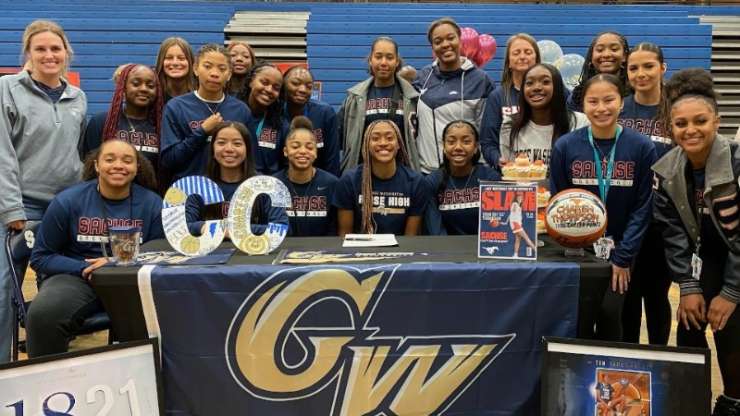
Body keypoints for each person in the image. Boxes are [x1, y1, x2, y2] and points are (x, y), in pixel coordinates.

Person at [652, 69, 740, 415]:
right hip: (700, 262)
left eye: (700, 121)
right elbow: (672, 233)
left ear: (716, 121)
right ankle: (688, 403)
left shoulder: (735, 163)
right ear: (670, 128)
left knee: (730, 329)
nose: (690, 130)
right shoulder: (665, 170)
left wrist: (731, 293)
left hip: (734, 263)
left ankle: (732, 401)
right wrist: (687, 285)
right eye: (681, 124)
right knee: (689, 325)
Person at [27, 140, 163, 358]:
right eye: (110, 159)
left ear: (137, 167)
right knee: (43, 314)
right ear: (97, 165)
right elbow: (41, 257)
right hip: (79, 278)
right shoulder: (68, 201)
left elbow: (160, 253)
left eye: (127, 160)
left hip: (130, 280)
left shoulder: (153, 204)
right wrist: (84, 268)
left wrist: (113, 265)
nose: (118, 165)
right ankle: (47, 385)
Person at [0, 19, 86, 363]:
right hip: (21, 210)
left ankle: (51, 366)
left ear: (66, 53)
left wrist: (78, 204)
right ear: (28, 54)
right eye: (41, 49)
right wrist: (11, 209)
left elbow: (76, 154)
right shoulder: (7, 88)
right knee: (5, 291)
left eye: (55, 48)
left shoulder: (77, 96)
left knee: (57, 294)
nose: (49, 55)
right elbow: (2, 153)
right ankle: (5, 367)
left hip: (62, 210)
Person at [550, 74, 656, 340]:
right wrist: (573, 247)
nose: (601, 108)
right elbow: (558, 202)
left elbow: (643, 207)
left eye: (609, 100)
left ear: (622, 102)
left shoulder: (642, 147)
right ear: (583, 105)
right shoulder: (565, 146)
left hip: (622, 252)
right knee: (580, 323)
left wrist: (623, 257)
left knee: (612, 318)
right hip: (579, 255)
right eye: (593, 101)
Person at [619, 42, 672, 345]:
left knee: (657, 296)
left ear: (663, 68)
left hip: (662, 219)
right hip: (627, 219)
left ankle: (659, 358)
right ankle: (628, 361)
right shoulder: (620, 108)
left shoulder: (675, 110)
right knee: (627, 296)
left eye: (648, 66)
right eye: (634, 67)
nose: (641, 73)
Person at [160, 43, 250, 184]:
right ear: (195, 69)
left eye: (222, 68)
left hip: (227, 192)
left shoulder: (241, 110)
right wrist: (201, 132)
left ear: (229, 74)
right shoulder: (176, 107)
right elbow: (169, 161)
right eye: (207, 66)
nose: (214, 73)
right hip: (185, 190)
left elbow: (250, 159)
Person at [415, 17, 494, 174]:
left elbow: (487, 133)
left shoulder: (480, 79)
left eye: (450, 38)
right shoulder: (422, 77)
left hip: (466, 175)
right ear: (433, 47)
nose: (445, 44)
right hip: (427, 173)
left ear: (460, 40)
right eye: (438, 41)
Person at [185, 121, 288, 236]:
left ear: (247, 150)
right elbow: (182, 227)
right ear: (212, 150)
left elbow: (281, 227)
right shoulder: (197, 187)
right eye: (221, 143)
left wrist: (233, 230)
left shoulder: (268, 186)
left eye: (237, 144)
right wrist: (207, 227)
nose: (229, 149)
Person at [338, 36, 420, 172]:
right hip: (362, 175)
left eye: (389, 57)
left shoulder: (412, 98)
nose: (383, 62)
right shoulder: (354, 98)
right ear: (370, 60)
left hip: (402, 177)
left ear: (396, 62)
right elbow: (338, 140)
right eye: (378, 56)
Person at [333, 120, 428, 236]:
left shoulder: (416, 182)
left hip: (400, 250)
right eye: (375, 138)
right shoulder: (349, 181)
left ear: (398, 144)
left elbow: (410, 237)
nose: (383, 143)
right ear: (366, 144)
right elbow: (344, 235)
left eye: (389, 138)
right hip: (360, 250)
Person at [497, 63, 589, 168]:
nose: (536, 87)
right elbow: (510, 171)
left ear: (557, 87)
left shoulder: (581, 122)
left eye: (545, 82)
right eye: (529, 83)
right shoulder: (510, 123)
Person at [82, 64, 164, 169]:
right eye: (136, 84)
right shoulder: (100, 122)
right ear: (123, 88)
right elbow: (90, 164)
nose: (144, 89)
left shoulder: (162, 125)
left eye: (150, 86)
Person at [425, 120, 500, 235]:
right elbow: (436, 231)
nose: (458, 147)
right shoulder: (432, 182)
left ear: (475, 147)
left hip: (483, 247)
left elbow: (496, 226)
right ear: (444, 147)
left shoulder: (491, 178)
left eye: (466, 142)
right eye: (451, 142)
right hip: (447, 248)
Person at [480, 33, 540, 167]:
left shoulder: (552, 92)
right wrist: (497, 160)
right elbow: (487, 141)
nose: (522, 56)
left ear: (537, 59)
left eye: (528, 52)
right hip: (509, 173)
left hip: (544, 171)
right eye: (516, 53)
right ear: (509, 62)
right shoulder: (497, 96)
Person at [274, 116, 338, 236]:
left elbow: (335, 230)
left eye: (309, 147)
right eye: (295, 146)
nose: (303, 151)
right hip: (281, 250)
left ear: (316, 153)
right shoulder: (273, 184)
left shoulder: (331, 184)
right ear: (285, 151)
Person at [281, 65, 340, 176]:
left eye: (308, 86)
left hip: (317, 183)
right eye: (295, 83)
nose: (303, 90)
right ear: (283, 85)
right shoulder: (274, 113)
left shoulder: (325, 113)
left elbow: (332, 160)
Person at [241, 62, 289, 175]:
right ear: (251, 81)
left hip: (267, 186)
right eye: (264, 82)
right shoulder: (233, 113)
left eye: (276, 88)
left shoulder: (280, 125)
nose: (269, 89)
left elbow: (285, 166)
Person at [567, 32, 630, 112]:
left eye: (614, 49)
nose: (606, 54)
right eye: (600, 50)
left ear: (624, 56)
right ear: (592, 56)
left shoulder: (636, 93)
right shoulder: (577, 96)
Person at [154, 37, 196, 102]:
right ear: (161, 62)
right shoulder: (153, 93)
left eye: (181, 58)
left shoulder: (201, 93)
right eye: (169, 58)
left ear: (190, 62)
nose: (175, 63)